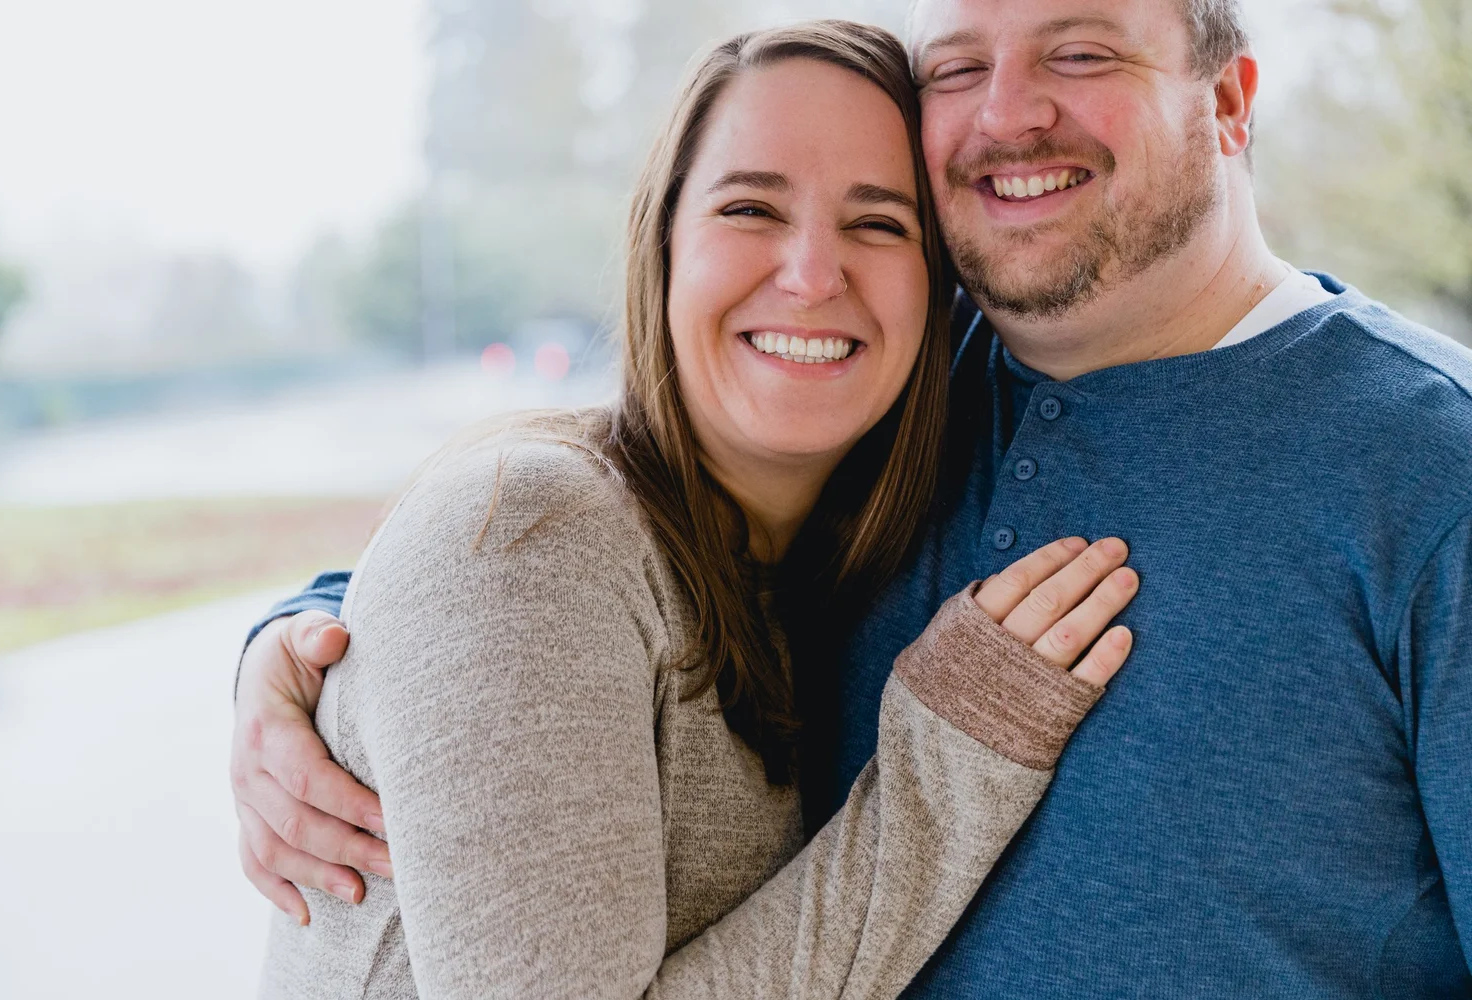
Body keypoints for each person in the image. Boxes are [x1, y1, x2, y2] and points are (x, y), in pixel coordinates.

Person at [234, 0, 1472, 994]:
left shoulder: (1431, 473)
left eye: (1081, 51)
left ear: (1231, 101)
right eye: (957, 66)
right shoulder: (892, 388)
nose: (1008, 112)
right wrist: (311, 644)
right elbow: (549, 544)